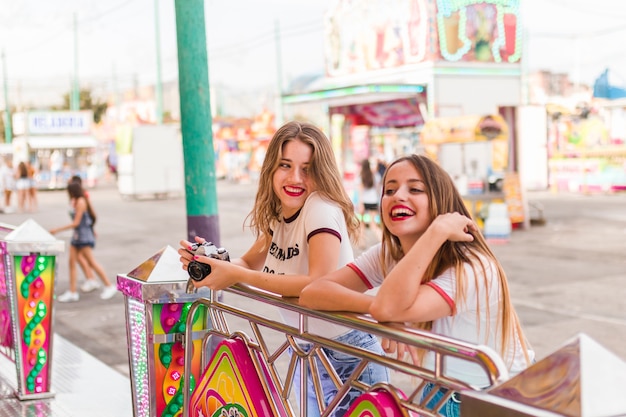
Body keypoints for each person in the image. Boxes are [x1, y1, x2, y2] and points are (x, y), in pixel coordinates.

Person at [179, 121, 388, 417]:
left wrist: (235, 275)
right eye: (285, 165)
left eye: (307, 169)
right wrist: (214, 264)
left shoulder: (321, 208)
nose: (295, 178)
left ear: (322, 172)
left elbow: (318, 283)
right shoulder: (281, 213)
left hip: (347, 355)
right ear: (271, 170)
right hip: (306, 349)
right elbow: (247, 263)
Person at [300, 154, 534, 417]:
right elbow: (313, 294)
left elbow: (387, 307)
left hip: (493, 399)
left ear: (440, 202)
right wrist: (379, 310)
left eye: (415, 189)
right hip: (439, 391)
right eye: (389, 190)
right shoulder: (389, 253)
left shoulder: (472, 268)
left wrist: (437, 232)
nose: (398, 196)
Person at [50, 181, 117, 302]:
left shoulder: (81, 201)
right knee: (72, 262)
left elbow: (76, 222)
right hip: (77, 236)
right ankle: (72, 291)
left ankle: (109, 285)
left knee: (91, 262)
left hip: (84, 236)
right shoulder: (76, 201)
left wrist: (57, 230)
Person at [68, 175, 101, 294]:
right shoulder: (76, 198)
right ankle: (90, 279)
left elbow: (89, 215)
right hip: (79, 234)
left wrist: (92, 229)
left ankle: (94, 280)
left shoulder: (82, 198)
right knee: (77, 258)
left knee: (87, 259)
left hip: (83, 234)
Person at [357, 158, 382, 245]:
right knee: (373, 224)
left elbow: (360, 191)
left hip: (364, 202)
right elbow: (378, 187)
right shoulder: (375, 175)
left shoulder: (361, 176)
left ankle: (362, 242)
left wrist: (360, 204)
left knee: (361, 223)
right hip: (374, 201)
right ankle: (382, 240)